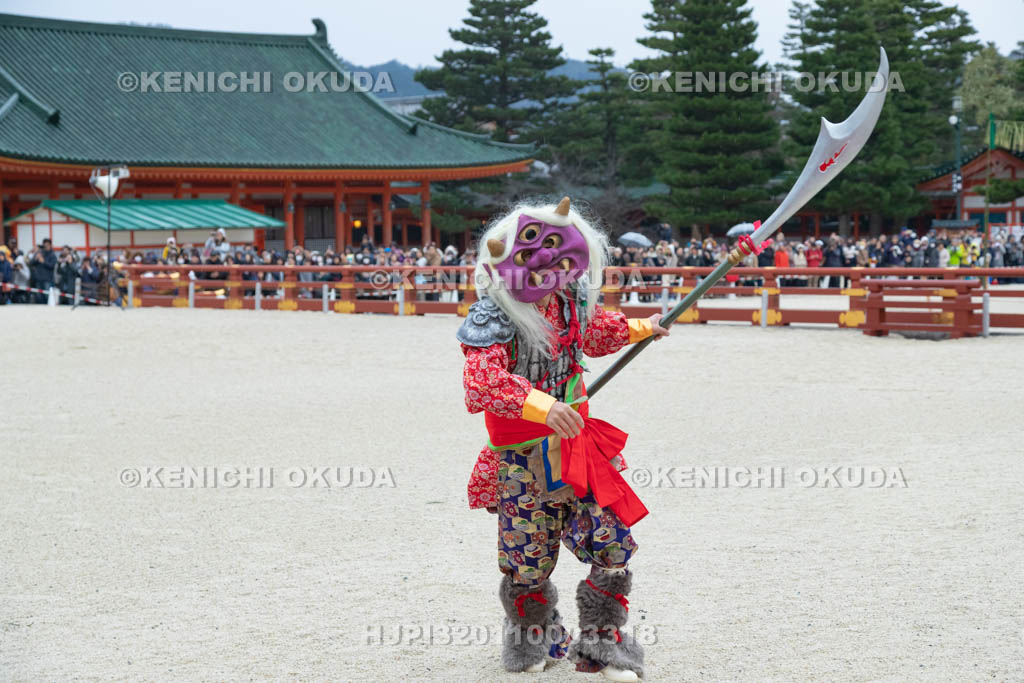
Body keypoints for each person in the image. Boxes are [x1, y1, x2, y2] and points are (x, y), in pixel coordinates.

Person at [457, 197, 667, 681]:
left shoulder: (570, 300)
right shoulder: (492, 316)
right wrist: (544, 407)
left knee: (612, 543)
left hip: (578, 450)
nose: (545, 263)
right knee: (528, 560)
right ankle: (535, 639)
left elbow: (595, 333)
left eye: (555, 249)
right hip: (521, 462)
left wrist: (643, 328)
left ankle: (603, 643)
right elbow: (480, 383)